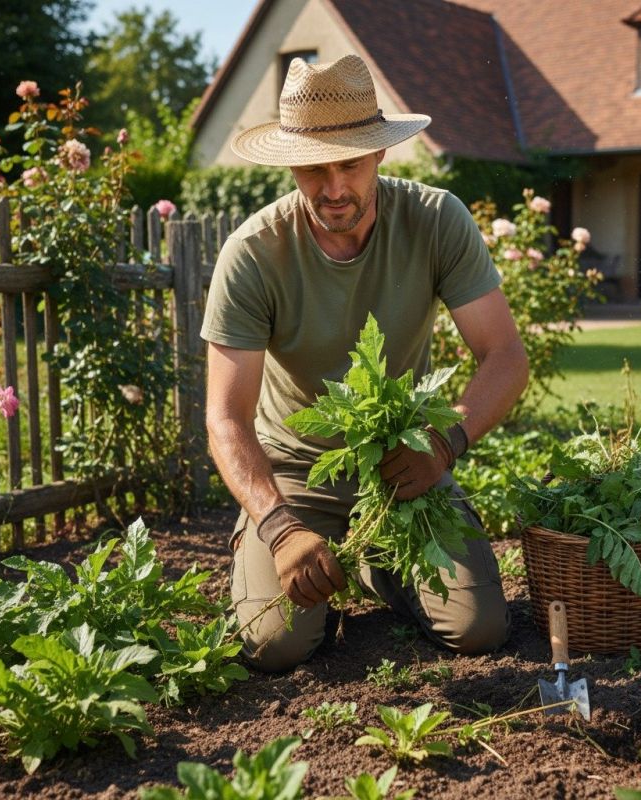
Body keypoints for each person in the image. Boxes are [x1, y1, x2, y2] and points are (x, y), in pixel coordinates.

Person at [201, 54, 529, 672]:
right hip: (298, 476)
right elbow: (225, 417)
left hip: (404, 464)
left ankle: (376, 569)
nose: (333, 189)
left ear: (380, 153)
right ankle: (290, 550)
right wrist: (277, 527)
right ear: (289, 163)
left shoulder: (436, 222)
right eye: (312, 169)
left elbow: (506, 355)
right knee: (276, 647)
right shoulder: (253, 253)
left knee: (478, 629)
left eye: (349, 163)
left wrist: (445, 444)